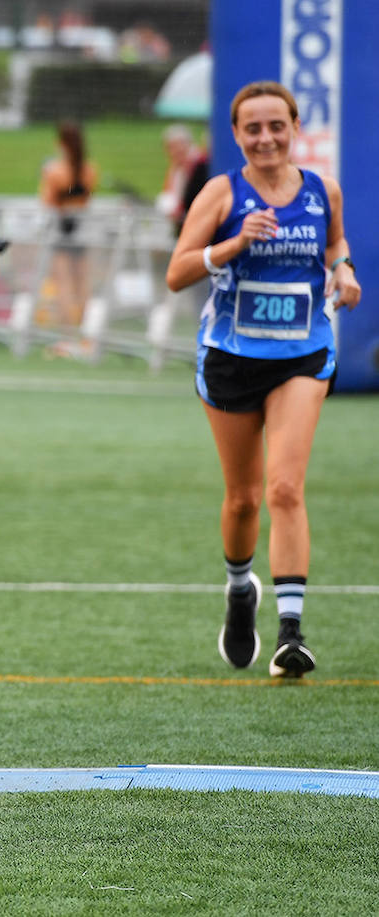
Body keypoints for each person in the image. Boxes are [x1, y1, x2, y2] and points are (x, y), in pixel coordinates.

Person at [165, 80, 361, 679]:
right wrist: (230, 245)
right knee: (244, 498)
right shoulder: (222, 193)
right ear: (237, 135)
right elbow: (177, 272)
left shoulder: (322, 190)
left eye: (277, 125)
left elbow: (333, 245)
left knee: (284, 489)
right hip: (230, 357)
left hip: (301, 353)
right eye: (253, 128)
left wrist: (344, 269)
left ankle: (291, 634)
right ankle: (238, 589)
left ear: (294, 127)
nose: (266, 137)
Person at [38, 120, 98, 332]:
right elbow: (87, 198)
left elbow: (47, 201)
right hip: (81, 228)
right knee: (82, 280)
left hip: (61, 229)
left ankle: (67, 326)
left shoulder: (54, 170)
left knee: (62, 280)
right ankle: (81, 324)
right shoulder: (89, 169)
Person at [157, 124, 211, 235]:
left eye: (175, 146)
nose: (173, 152)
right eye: (170, 148)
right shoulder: (176, 169)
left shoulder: (200, 165)